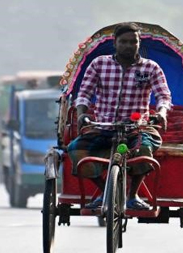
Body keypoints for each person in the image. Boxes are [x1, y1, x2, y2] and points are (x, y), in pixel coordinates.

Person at [68, 22, 171, 211]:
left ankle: (133, 195)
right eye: (123, 41)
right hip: (103, 126)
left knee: (144, 151)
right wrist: (82, 114)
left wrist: (162, 113)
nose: (129, 46)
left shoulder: (151, 68)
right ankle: (103, 193)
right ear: (114, 43)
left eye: (134, 42)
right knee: (76, 150)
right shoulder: (99, 64)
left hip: (137, 128)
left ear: (139, 43)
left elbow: (163, 96)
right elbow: (83, 94)